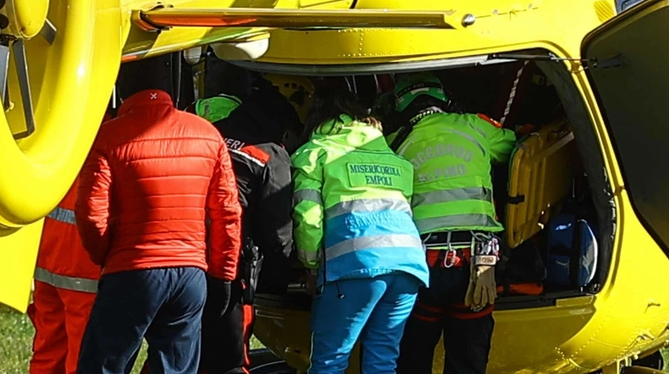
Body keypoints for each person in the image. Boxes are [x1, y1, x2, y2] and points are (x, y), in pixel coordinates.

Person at [75, 54, 242, 374]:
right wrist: (222, 275)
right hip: (191, 273)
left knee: (104, 364)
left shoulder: (110, 136)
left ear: (122, 88)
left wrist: (107, 256)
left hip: (132, 268)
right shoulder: (207, 134)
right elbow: (227, 214)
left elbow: (91, 213)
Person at [292, 77, 427, 374]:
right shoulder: (394, 158)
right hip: (408, 265)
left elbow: (308, 218)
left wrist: (311, 265)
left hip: (353, 265)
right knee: (382, 360)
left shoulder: (315, 153)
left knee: (330, 360)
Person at [389, 74, 517, 374]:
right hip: (476, 264)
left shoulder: (393, 141)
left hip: (420, 266)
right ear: (443, 99)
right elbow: (515, 149)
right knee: (468, 359)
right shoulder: (476, 126)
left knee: (412, 356)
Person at [195, 66, 299, 374]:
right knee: (230, 356)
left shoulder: (211, 136)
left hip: (182, 255)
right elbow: (277, 231)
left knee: (179, 348)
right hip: (229, 262)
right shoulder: (271, 154)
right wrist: (279, 281)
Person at [28, 171, 100, 374]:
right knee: (83, 355)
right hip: (85, 269)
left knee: (49, 348)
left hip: (48, 257)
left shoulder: (60, 146)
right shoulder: (103, 148)